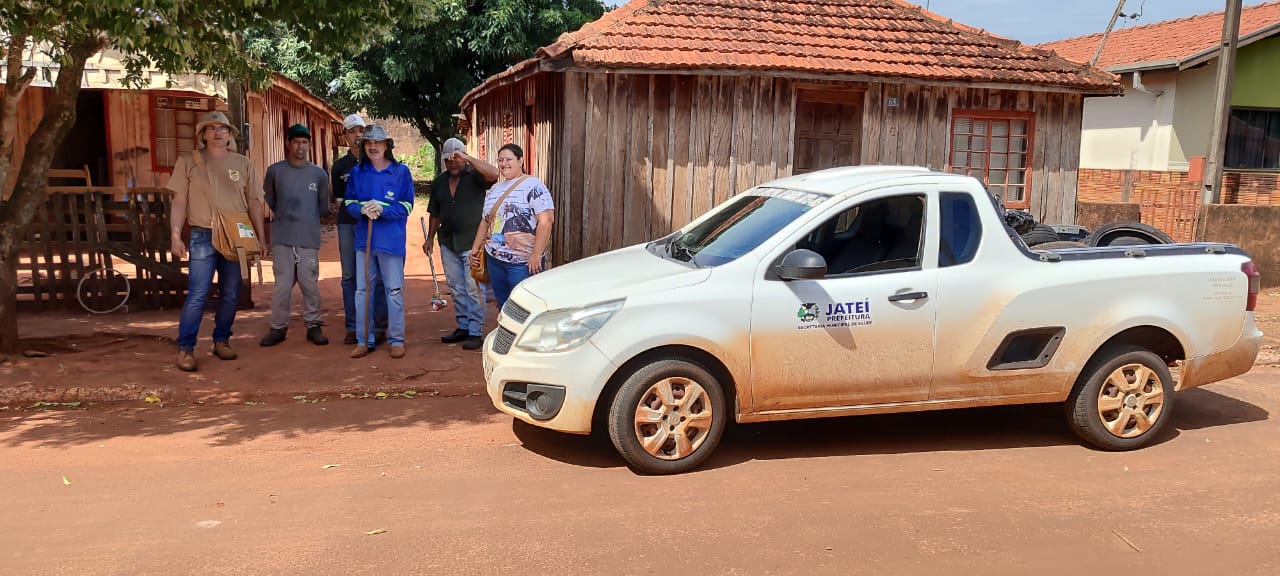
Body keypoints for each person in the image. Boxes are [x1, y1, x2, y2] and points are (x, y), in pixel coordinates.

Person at [167, 110, 266, 372]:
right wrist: (175, 235)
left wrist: (261, 237)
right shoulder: (188, 161)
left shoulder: (243, 163)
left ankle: (221, 339)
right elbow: (179, 201)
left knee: (231, 293)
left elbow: (255, 202)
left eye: (222, 128)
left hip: (237, 235)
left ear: (230, 134)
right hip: (202, 234)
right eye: (211, 128)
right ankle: (186, 347)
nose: (217, 132)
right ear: (203, 134)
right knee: (198, 293)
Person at [344, 125, 414, 359]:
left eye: (378, 143)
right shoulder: (357, 172)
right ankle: (365, 340)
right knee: (363, 291)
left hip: (391, 241)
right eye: (368, 143)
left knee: (393, 291)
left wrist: (382, 210)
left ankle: (396, 339)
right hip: (364, 241)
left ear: (387, 146)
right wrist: (362, 209)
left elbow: (407, 205)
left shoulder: (401, 172)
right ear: (363, 147)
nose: (373, 146)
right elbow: (348, 203)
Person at [259, 124, 330, 347]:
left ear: (309, 145)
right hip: (282, 238)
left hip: (308, 238)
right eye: (297, 141)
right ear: (288, 144)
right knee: (282, 285)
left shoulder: (318, 174)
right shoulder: (275, 171)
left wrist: (306, 219)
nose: (301, 146)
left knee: (310, 283)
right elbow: (270, 200)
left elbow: (323, 207)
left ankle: (314, 325)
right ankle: (278, 328)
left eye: (305, 142)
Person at [424, 138, 498, 350]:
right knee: (456, 288)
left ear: (463, 158)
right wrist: (430, 238)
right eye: (448, 160)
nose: (453, 164)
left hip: (472, 243)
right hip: (448, 242)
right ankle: (463, 326)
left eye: (457, 159)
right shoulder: (439, 182)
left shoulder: (475, 176)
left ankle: (475, 331)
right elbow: (435, 213)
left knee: (474, 288)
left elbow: (494, 174)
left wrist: (469, 159)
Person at [469, 143, 555, 311]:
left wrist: (536, 255)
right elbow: (485, 222)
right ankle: (508, 338)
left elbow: (546, 220)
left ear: (520, 160)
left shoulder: (533, 186)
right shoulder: (494, 189)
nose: (504, 164)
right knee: (503, 306)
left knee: (525, 307)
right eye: (500, 160)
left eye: (509, 159)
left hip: (523, 262)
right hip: (495, 259)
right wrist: (475, 250)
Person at [330, 113, 388, 346]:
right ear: (345, 136)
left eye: (360, 131)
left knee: (380, 275)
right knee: (350, 276)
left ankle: (380, 324)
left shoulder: (376, 161)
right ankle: (354, 326)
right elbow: (339, 202)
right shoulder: (340, 167)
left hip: (376, 225)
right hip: (349, 225)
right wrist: (360, 208)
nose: (357, 135)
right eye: (352, 131)